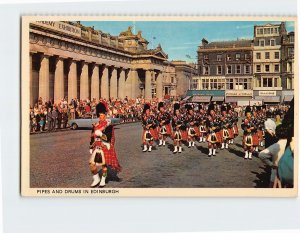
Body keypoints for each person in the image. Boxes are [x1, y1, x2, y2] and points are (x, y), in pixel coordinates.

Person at [89, 102, 122, 187]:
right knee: (91, 164)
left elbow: (109, 137)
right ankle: (96, 178)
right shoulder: (96, 125)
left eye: (102, 115)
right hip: (96, 146)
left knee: (104, 165)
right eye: (99, 115)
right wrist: (90, 145)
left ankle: (103, 179)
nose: (101, 117)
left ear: (105, 115)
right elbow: (92, 136)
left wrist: (101, 135)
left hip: (104, 146)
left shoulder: (108, 126)